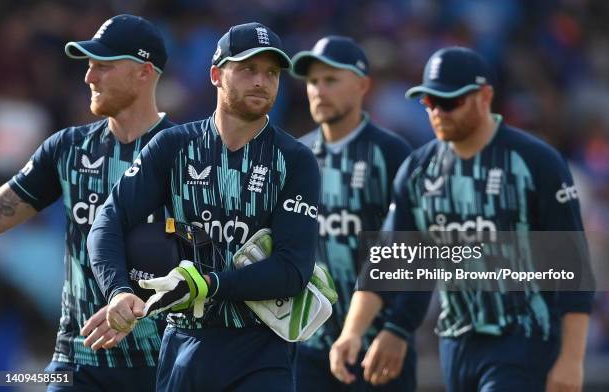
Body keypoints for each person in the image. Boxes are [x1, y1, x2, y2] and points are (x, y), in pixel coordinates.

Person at [333, 46, 594, 391]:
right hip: (456, 342)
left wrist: (572, 360)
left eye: (450, 102)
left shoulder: (535, 162)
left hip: (525, 337)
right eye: (430, 103)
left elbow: (572, 268)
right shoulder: (418, 171)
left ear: (485, 96)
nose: (439, 112)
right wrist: (351, 333)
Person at [87, 22, 320, 392]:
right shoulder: (173, 146)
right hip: (184, 345)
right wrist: (118, 291)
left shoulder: (296, 160)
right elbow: (108, 221)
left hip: (262, 353)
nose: (261, 81)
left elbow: (292, 271)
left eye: (271, 73)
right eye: (247, 69)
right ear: (215, 74)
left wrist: (207, 286)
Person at [0, 14, 175, 391]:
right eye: (89, 66)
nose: (88, 77)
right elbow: (2, 210)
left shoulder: (187, 153)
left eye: (103, 67)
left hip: (161, 361)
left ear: (144, 73)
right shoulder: (68, 148)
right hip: (77, 359)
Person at [291, 36, 418, 391]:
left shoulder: (392, 153)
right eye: (313, 81)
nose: (318, 90)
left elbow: (416, 249)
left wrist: (398, 329)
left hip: (377, 347)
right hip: (309, 347)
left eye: (331, 80)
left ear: (363, 85)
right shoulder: (295, 156)